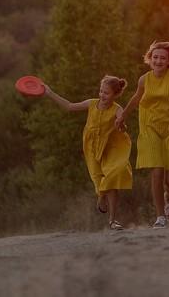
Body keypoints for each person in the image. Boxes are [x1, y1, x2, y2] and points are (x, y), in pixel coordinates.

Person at [116, 39, 169, 229]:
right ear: (150, 58)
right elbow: (136, 99)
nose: (158, 61)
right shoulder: (144, 79)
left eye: (162, 58)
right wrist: (122, 117)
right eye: (155, 57)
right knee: (156, 171)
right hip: (150, 128)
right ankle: (160, 217)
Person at [43, 75, 133, 230]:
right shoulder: (91, 103)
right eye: (101, 91)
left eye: (106, 93)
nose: (102, 95)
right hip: (91, 147)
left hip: (111, 148)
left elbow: (123, 126)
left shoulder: (117, 109)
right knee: (97, 178)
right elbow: (69, 106)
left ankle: (112, 220)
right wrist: (49, 93)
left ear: (115, 94)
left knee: (113, 175)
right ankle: (101, 194)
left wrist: (121, 124)